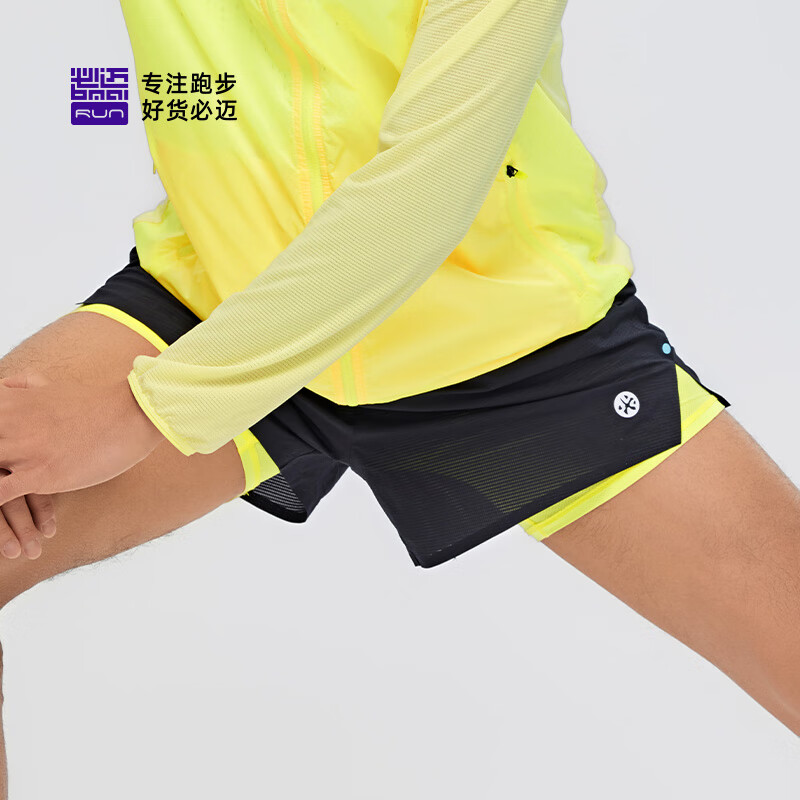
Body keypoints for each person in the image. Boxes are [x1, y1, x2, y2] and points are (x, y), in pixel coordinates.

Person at [0, 0, 797, 790]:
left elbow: (428, 182)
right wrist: (137, 110)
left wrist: (159, 405)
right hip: (224, 290)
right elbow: (124, 79)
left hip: (503, 343)